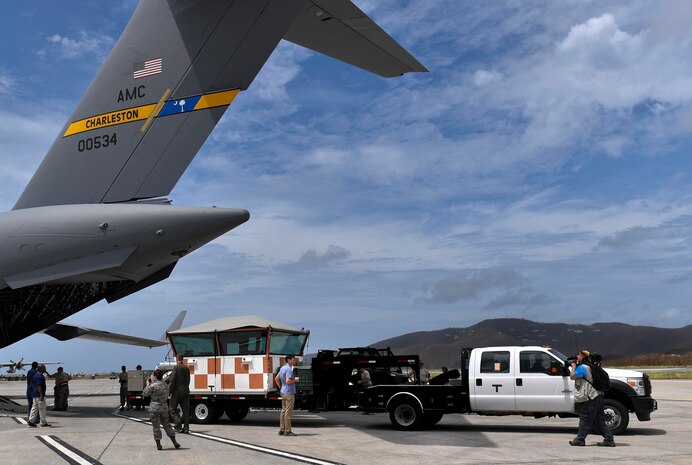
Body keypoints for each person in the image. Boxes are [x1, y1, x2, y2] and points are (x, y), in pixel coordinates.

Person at [569, 350, 615, 447]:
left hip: (590, 398)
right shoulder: (591, 367)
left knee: (585, 418)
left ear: (584, 358)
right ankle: (609, 439)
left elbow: (572, 376)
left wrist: (573, 366)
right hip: (597, 396)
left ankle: (579, 439)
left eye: (579, 355)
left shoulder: (583, 367)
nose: (577, 357)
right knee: (599, 420)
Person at [143, 369, 181, 450]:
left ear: (156, 376)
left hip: (155, 408)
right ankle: (174, 442)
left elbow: (145, 393)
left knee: (156, 426)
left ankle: (159, 444)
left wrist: (147, 384)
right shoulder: (166, 385)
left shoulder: (153, 386)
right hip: (164, 407)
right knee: (167, 425)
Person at [275, 354, 300, 437]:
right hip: (289, 393)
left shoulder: (282, 368)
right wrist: (295, 380)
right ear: (288, 360)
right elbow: (288, 381)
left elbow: (276, 378)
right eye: (293, 359)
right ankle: (287, 431)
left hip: (283, 392)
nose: (294, 361)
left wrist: (281, 387)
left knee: (283, 411)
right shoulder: (289, 369)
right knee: (288, 413)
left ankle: (282, 429)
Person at [169, 354, 191, 434]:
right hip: (186, 390)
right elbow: (188, 380)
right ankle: (186, 428)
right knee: (186, 410)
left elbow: (172, 380)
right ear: (182, 359)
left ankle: (178, 425)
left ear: (177, 359)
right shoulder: (186, 368)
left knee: (172, 408)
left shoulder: (176, 367)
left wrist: (169, 391)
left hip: (177, 391)